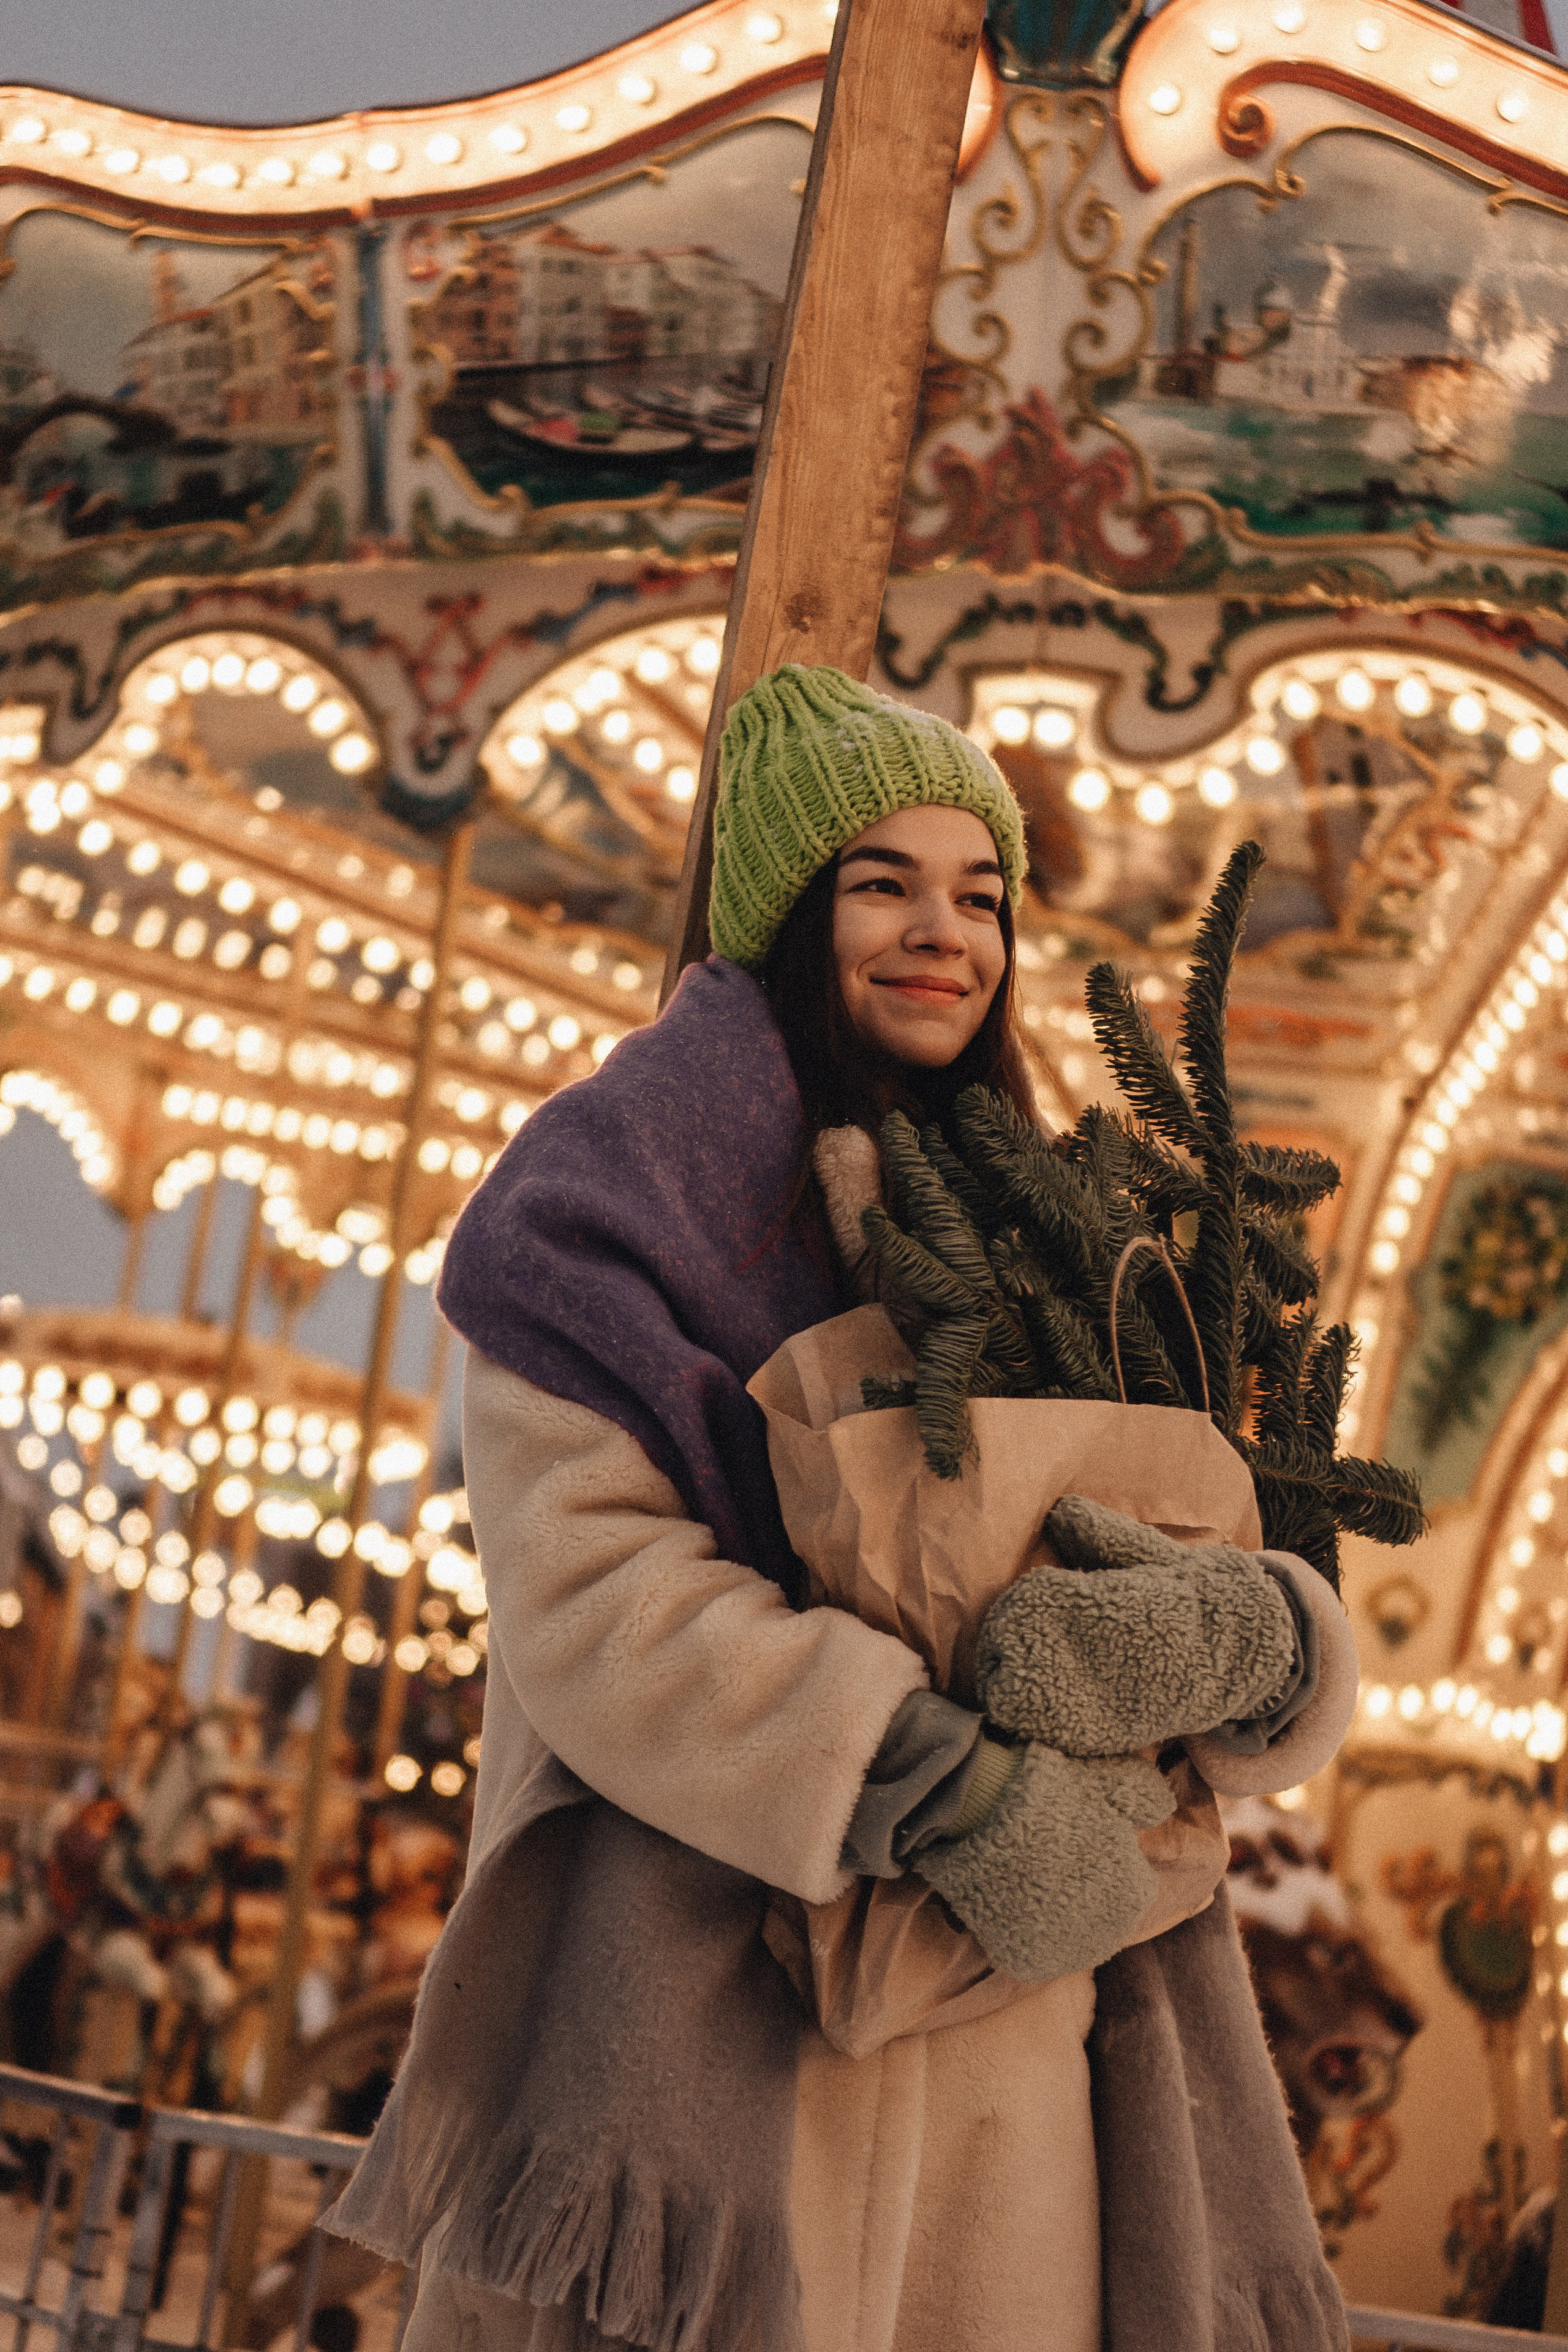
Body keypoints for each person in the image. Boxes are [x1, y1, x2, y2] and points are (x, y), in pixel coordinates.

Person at [330, 664, 1359, 2352]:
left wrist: (1259, 1639)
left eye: (980, 895)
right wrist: (922, 1774)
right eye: (881, 883)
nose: (940, 933)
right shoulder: (607, 1208)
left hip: (1017, 2059)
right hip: (726, 2006)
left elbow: (1224, 1536)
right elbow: (595, 1601)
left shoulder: (1063, 1220)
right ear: (792, 914)